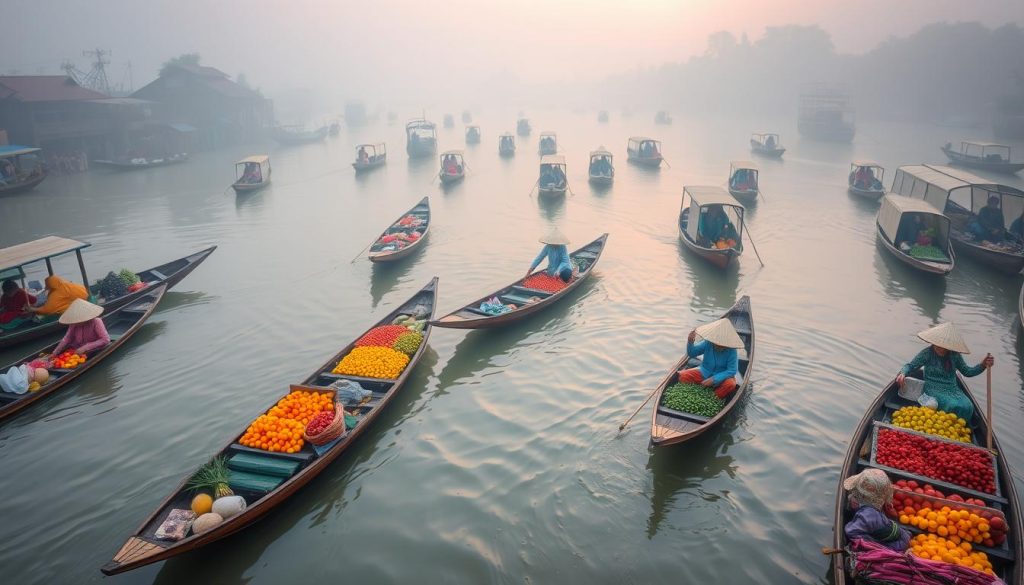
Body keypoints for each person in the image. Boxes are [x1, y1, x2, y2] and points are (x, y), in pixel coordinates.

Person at [896, 322, 992, 420]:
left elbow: (967, 372)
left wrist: (983, 365)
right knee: (952, 405)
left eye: (942, 345)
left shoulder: (955, 355)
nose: (938, 347)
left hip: (952, 388)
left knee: (968, 406)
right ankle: (944, 423)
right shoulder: (927, 353)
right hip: (932, 387)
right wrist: (903, 373)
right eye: (936, 343)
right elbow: (911, 366)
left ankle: (959, 428)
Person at [843, 469, 911, 552]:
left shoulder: (868, 514)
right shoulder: (873, 511)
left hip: (893, 545)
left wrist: (871, 546)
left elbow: (851, 532)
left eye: (857, 494)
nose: (853, 496)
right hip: (895, 533)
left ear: (863, 496)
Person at [677, 318, 742, 399]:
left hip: (722, 377)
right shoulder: (708, 343)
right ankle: (696, 394)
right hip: (704, 372)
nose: (718, 345)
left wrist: (714, 379)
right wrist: (690, 342)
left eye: (721, 344)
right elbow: (692, 353)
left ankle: (712, 398)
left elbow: (732, 370)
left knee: (730, 384)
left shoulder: (732, 351)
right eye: (717, 343)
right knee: (683, 376)